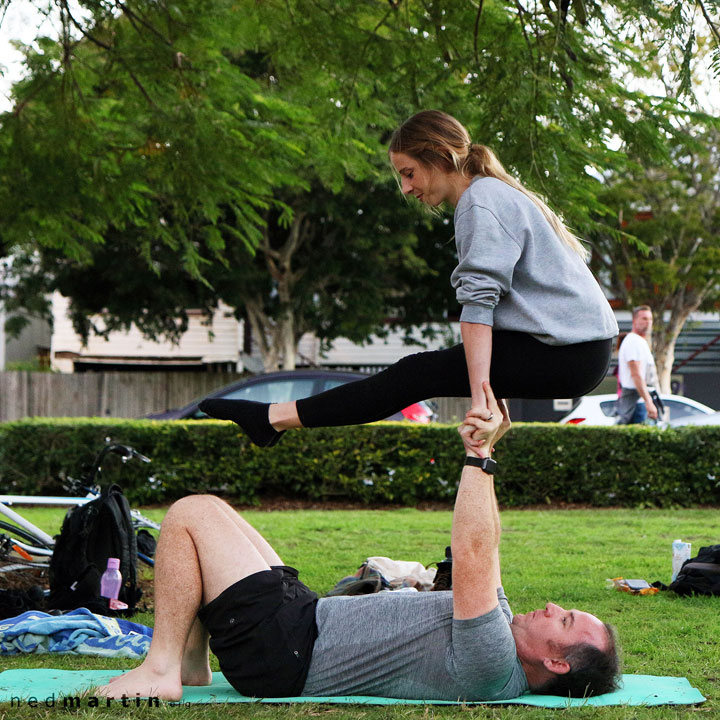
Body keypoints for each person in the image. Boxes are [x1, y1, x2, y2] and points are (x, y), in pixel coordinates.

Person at [97, 383, 620, 703]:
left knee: (190, 514)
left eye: (566, 620)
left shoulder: (492, 664)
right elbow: (489, 551)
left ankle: (162, 668)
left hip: (285, 651)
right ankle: (191, 664)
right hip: (303, 621)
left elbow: (475, 554)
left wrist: (479, 456)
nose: (554, 607)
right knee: (215, 514)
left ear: (556, 664)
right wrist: (490, 443)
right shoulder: (501, 634)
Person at [200, 110, 618, 449]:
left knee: (415, 374)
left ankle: (272, 418)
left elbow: (479, 309)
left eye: (409, 172)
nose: (405, 187)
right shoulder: (492, 194)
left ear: (439, 155)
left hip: (567, 354)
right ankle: (271, 419)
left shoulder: (481, 202)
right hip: (572, 350)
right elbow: (512, 310)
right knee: (421, 372)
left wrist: (481, 401)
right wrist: (496, 401)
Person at [616, 305, 659, 425]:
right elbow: (636, 374)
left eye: (650, 319)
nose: (648, 322)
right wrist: (648, 402)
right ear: (634, 321)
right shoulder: (633, 341)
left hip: (640, 401)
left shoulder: (640, 342)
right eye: (644, 318)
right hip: (636, 403)